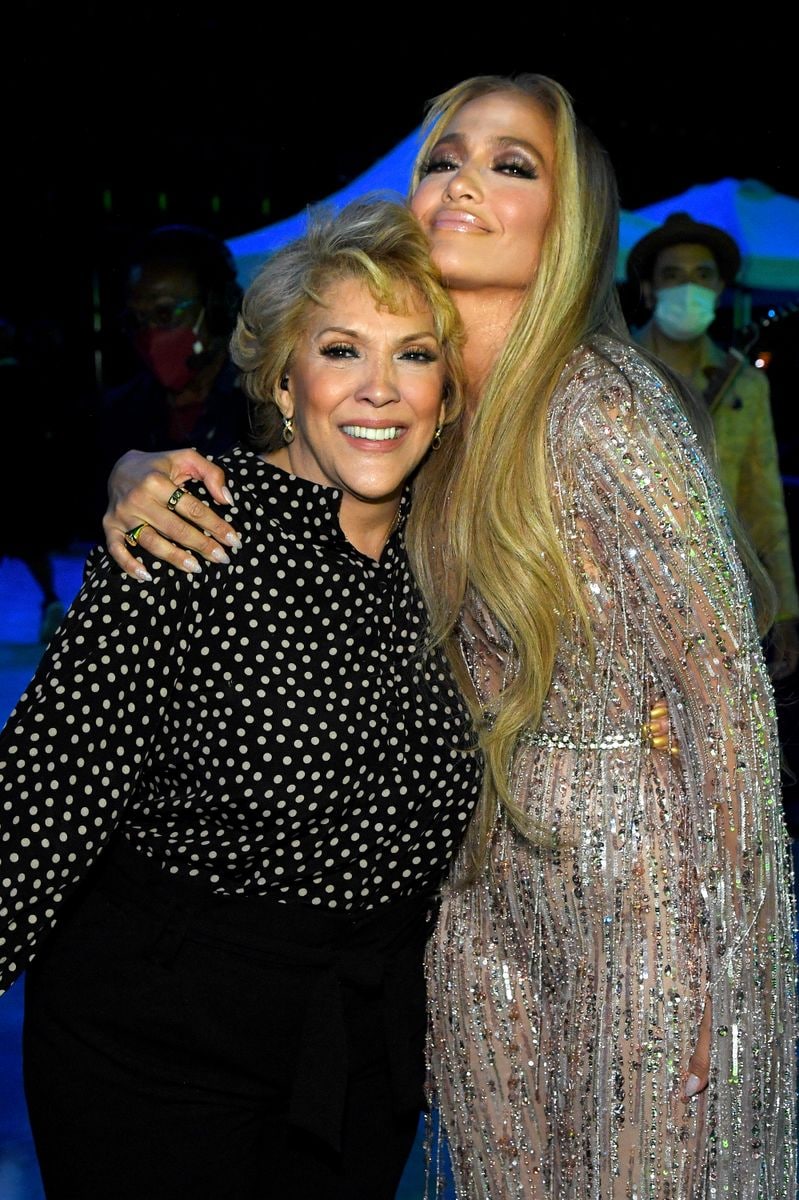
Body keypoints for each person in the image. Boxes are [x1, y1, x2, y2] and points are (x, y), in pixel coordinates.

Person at [98, 74, 798, 1198]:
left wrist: (730, 985)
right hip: (474, 904)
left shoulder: (598, 402)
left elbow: (726, 685)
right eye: (443, 157)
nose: (464, 178)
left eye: (510, 163)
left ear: (565, 221)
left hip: (631, 909)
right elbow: (285, 484)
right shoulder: (431, 412)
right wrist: (133, 470)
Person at [0, 197, 486, 1200]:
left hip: (359, 1048)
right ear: (281, 375)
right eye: (343, 349)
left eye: (416, 356)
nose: (380, 391)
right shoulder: (191, 520)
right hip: (157, 1044)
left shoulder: (463, 560)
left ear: (448, 396)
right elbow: (44, 794)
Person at [626, 211, 799, 682]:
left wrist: (783, 609)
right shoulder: (612, 374)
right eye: (672, 275)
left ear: (719, 289)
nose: (689, 287)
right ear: (649, 289)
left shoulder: (744, 385)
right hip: (624, 605)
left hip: (718, 606)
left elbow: (764, 503)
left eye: (702, 275)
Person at [90, 222, 250, 532]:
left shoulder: (263, 406)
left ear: (216, 309)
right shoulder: (119, 411)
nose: (149, 334)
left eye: (165, 314)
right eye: (138, 319)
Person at [0, 316, 66, 642]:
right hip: (24, 478)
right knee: (32, 548)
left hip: (14, 475)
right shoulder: (30, 379)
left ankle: (52, 601)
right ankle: (51, 599)